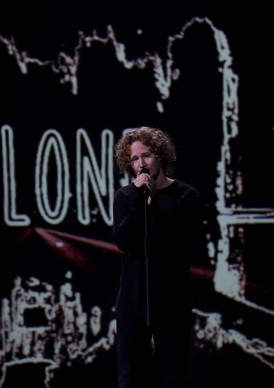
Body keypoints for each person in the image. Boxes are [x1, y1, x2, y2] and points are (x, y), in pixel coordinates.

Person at [112, 126, 205, 388]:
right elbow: (122, 242)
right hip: (133, 301)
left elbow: (181, 244)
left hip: (172, 300)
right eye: (134, 159)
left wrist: (153, 201)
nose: (141, 164)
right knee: (130, 378)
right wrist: (138, 203)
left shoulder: (186, 196)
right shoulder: (126, 197)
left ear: (161, 156)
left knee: (171, 377)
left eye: (147, 155)